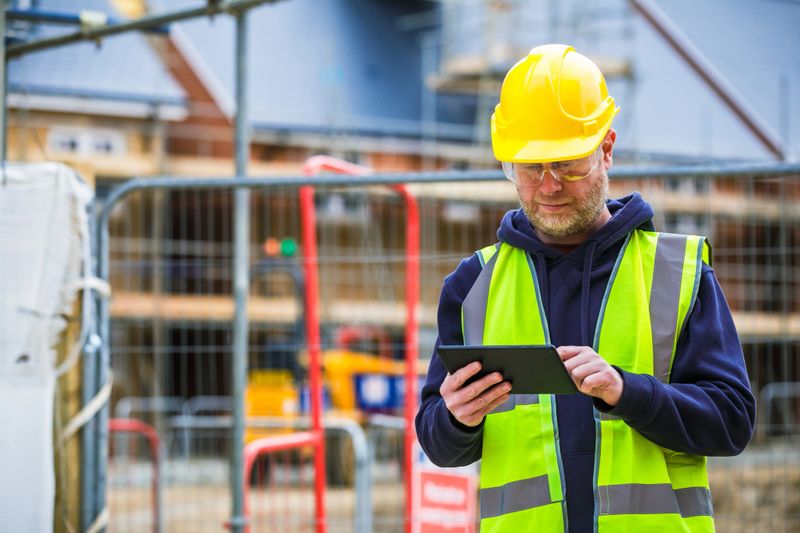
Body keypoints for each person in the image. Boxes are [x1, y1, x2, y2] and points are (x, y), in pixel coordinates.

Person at [415, 44, 755, 532]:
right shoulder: (473, 286)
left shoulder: (677, 272)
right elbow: (438, 443)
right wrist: (455, 419)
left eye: (569, 164)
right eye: (529, 168)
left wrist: (627, 392)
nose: (549, 185)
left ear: (607, 148)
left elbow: (732, 423)